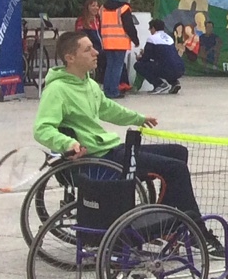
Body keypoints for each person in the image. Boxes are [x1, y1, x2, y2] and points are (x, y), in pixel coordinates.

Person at [35, 30, 206, 225]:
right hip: (98, 159)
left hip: (110, 149)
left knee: (178, 152)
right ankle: (196, 228)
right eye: (88, 50)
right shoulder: (57, 90)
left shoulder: (89, 83)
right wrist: (67, 143)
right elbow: (42, 128)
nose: (96, 52)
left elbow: (108, 108)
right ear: (70, 58)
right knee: (176, 169)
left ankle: (164, 221)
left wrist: (138, 118)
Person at [97, 0, 134, 97]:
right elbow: (129, 26)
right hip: (120, 42)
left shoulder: (102, 8)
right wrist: (135, 39)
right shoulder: (124, 8)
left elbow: (100, 24)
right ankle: (114, 91)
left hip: (107, 41)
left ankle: (107, 90)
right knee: (117, 67)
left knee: (110, 66)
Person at [134, 18, 184, 95]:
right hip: (180, 68)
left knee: (139, 65)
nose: (149, 30)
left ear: (153, 28)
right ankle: (174, 83)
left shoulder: (152, 38)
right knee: (166, 64)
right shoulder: (169, 38)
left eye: (150, 28)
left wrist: (139, 57)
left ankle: (159, 84)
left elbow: (146, 58)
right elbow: (165, 55)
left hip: (166, 68)